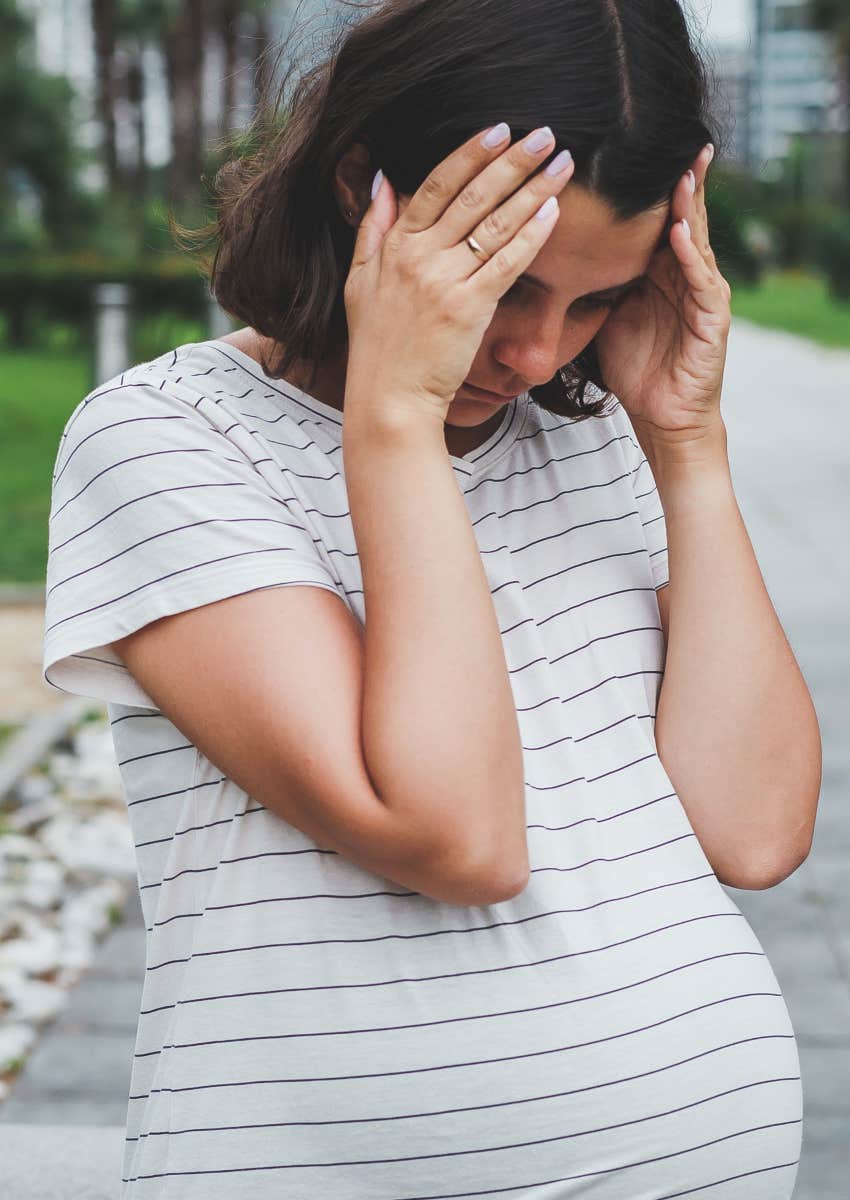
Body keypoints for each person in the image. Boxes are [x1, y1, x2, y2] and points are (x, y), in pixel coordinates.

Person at [43, 1, 821, 1196]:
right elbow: (454, 838)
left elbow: (752, 829)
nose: (536, 356)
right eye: (510, 287)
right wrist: (394, 417)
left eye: (595, 301)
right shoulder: (167, 441)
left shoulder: (594, 436)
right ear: (367, 186)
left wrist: (687, 444)